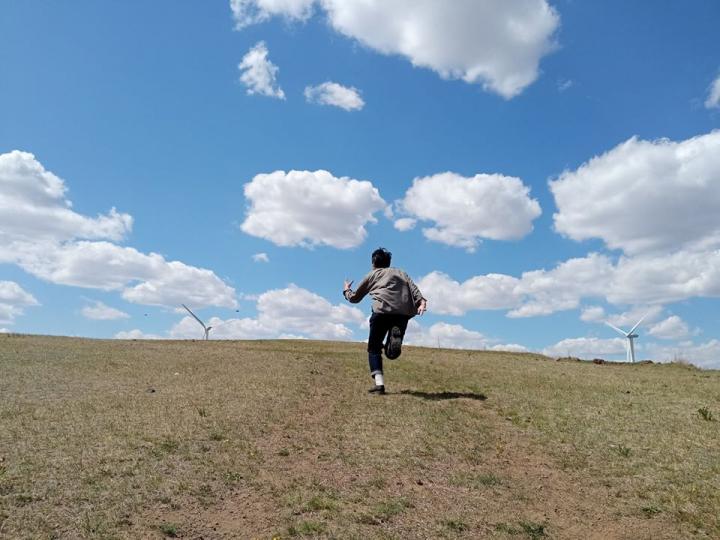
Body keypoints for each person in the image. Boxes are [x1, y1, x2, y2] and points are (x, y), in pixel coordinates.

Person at [343, 247, 427, 395]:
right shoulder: (401, 273)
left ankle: (379, 385)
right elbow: (413, 288)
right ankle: (394, 339)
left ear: (373, 262)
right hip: (402, 314)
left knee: (374, 348)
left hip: (381, 312)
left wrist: (346, 290)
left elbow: (355, 298)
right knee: (391, 354)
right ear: (389, 262)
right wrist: (421, 301)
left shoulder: (372, 275)